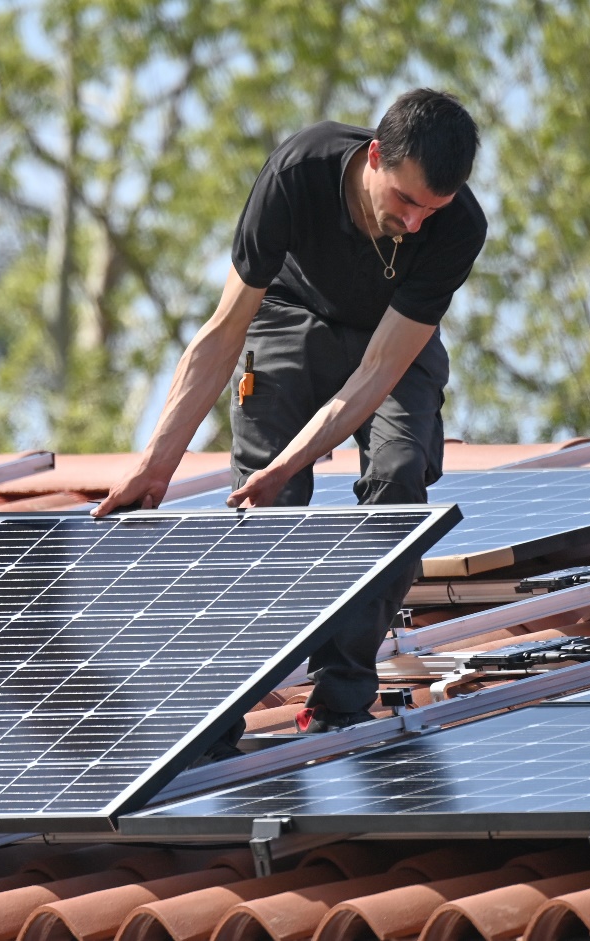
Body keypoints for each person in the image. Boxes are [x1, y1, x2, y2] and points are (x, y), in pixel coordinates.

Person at [94, 89, 486, 733]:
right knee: (264, 504)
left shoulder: (459, 228)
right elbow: (223, 334)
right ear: (376, 157)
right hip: (288, 317)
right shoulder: (298, 173)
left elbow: (378, 373)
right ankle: (223, 708)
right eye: (407, 201)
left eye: (432, 210)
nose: (417, 223)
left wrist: (294, 461)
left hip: (391, 341)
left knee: (400, 472)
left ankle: (342, 692)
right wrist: (156, 463)